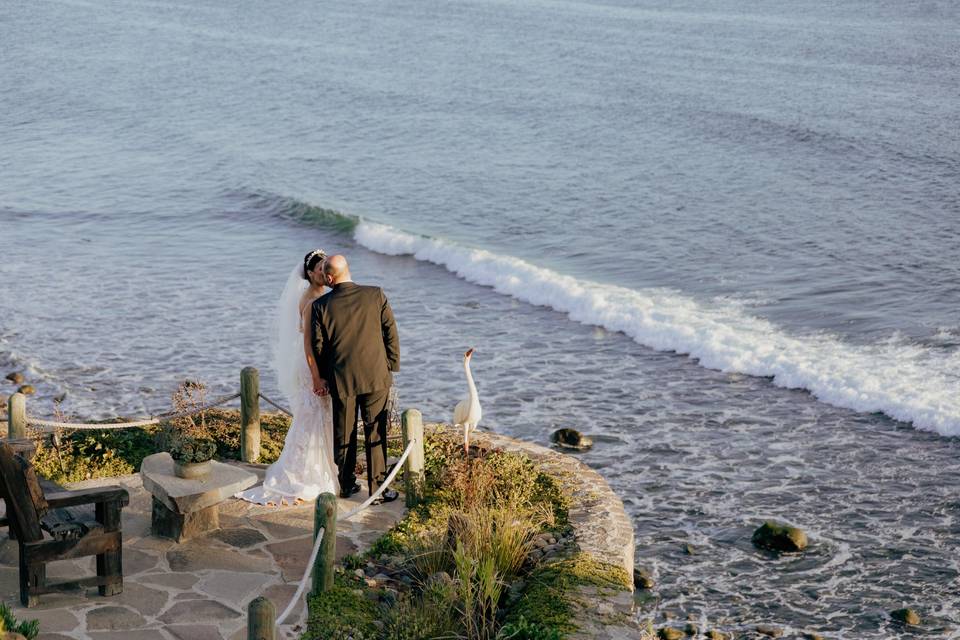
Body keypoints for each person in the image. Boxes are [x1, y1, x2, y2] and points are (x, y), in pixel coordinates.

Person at [238, 250, 340, 505]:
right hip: (311, 366)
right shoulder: (311, 300)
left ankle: (324, 468)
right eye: (319, 269)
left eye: (325, 268)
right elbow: (308, 344)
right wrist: (317, 377)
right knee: (312, 415)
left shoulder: (321, 296)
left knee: (319, 416)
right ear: (309, 274)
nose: (323, 272)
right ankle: (303, 473)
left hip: (316, 362)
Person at [310, 255, 400, 503]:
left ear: (329, 278)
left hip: (342, 379)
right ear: (348, 271)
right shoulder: (375, 294)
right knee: (375, 431)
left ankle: (347, 484)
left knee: (344, 432)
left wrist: (326, 377)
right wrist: (390, 365)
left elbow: (318, 347)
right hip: (376, 375)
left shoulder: (322, 306)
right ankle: (378, 489)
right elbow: (390, 332)